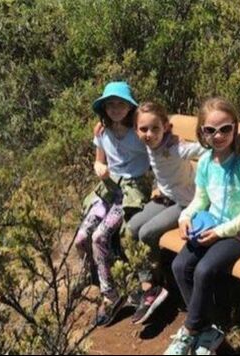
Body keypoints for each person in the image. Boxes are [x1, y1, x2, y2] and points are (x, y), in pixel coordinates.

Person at [165, 98, 240, 355]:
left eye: (225, 129)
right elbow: (201, 199)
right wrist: (184, 218)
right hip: (213, 226)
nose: (218, 136)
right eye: (210, 130)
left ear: (235, 128)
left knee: (204, 269)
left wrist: (221, 232)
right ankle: (209, 329)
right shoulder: (207, 162)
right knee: (179, 265)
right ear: (202, 133)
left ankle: (189, 331)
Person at [74, 81, 152, 327]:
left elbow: (159, 147)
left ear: (130, 107)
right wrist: (99, 167)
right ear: (104, 108)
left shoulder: (139, 133)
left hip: (130, 191)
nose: (116, 109)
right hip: (109, 188)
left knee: (100, 236)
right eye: (111, 105)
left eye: (121, 104)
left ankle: (111, 296)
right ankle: (98, 275)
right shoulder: (103, 132)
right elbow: (100, 160)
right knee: (81, 238)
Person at [125, 101, 207, 324]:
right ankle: (148, 283)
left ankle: (157, 285)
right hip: (165, 197)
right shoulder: (150, 145)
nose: (149, 134)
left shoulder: (174, 147)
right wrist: (100, 129)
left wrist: (239, 145)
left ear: (166, 128)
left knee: (146, 234)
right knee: (131, 228)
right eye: (143, 129)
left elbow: (201, 147)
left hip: (184, 203)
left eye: (155, 128)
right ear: (136, 130)